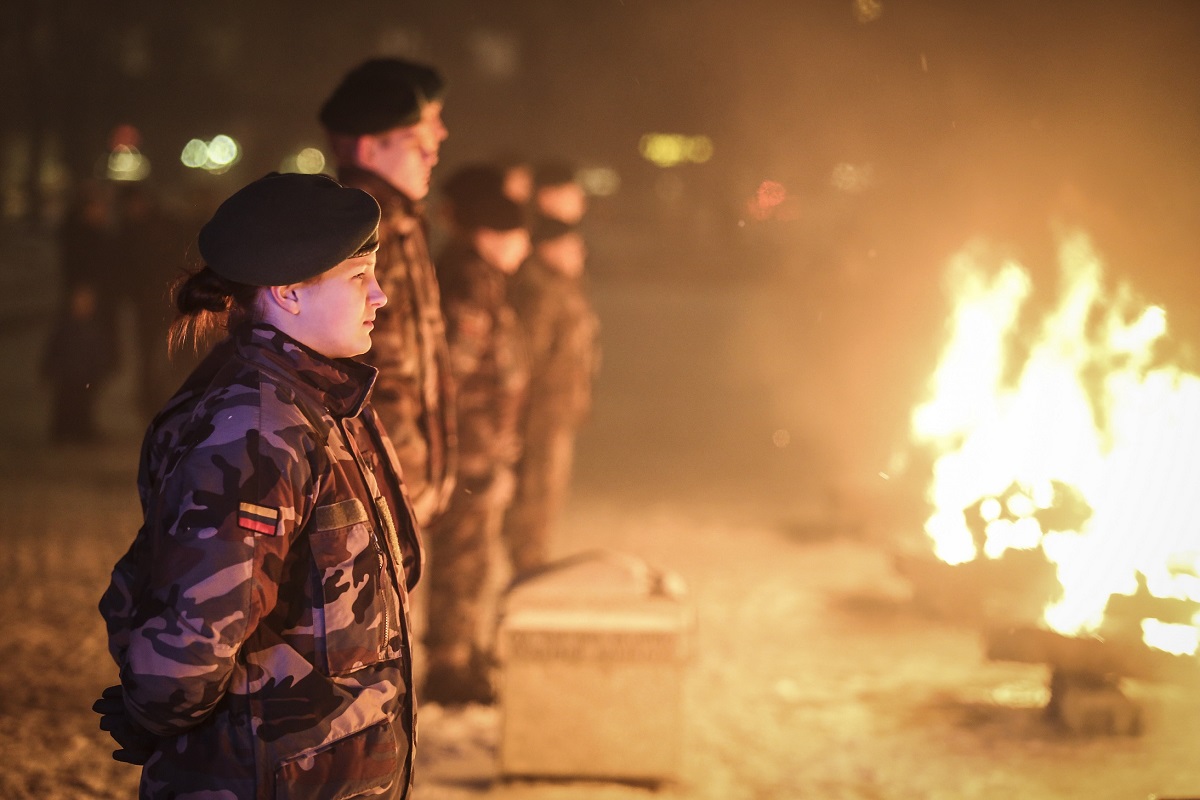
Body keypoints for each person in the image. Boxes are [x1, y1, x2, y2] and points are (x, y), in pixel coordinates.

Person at [94, 172, 423, 800]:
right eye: (358, 277)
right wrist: (153, 709)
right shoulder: (256, 428)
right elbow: (196, 633)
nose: (379, 296)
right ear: (288, 294)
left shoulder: (319, 401)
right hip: (263, 779)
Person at [318, 57, 456, 530]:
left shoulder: (399, 223)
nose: (434, 152)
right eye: (418, 142)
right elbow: (351, 374)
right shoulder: (352, 230)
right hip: (374, 484)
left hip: (401, 481)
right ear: (369, 148)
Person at [424, 169, 531, 705]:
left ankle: (460, 656)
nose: (524, 247)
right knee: (461, 557)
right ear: (491, 235)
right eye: (517, 236)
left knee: (474, 558)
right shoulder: (468, 279)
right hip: (469, 451)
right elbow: (454, 377)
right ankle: (448, 664)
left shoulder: (484, 279)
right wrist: (479, 447)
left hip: (483, 446)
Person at [501, 216, 600, 575]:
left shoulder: (562, 286)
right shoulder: (539, 291)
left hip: (556, 409)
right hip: (540, 412)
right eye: (572, 246)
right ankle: (527, 566)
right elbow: (529, 357)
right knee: (535, 494)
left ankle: (532, 560)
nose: (581, 253)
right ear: (549, 249)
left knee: (547, 494)